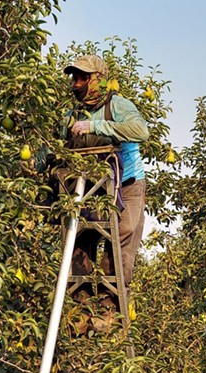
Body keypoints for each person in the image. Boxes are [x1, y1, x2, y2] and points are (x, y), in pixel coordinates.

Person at [60, 54, 148, 312]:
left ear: (97, 79)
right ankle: (82, 308)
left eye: (82, 77)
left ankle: (110, 309)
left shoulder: (118, 106)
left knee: (121, 237)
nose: (76, 83)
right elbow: (52, 146)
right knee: (79, 240)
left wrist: (94, 126)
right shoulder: (71, 114)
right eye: (74, 77)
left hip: (128, 185)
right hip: (88, 188)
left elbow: (141, 131)